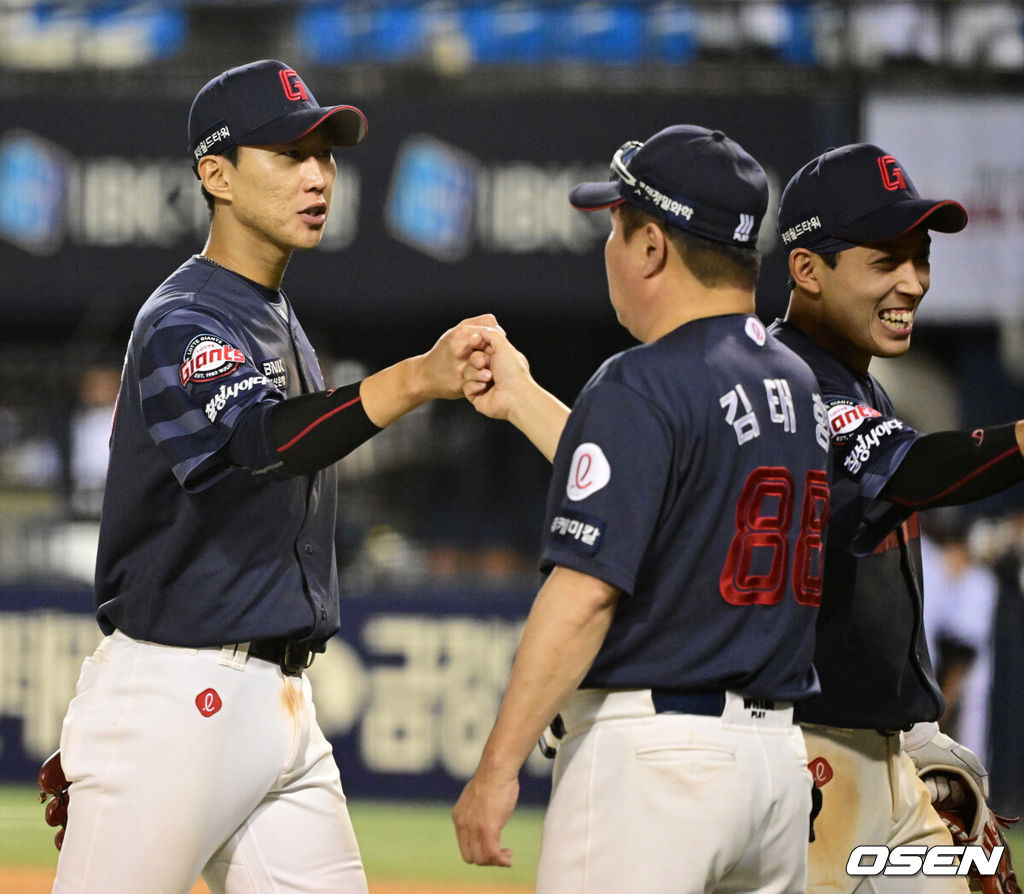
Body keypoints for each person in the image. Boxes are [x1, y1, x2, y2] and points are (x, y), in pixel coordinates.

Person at [47, 59, 500, 894]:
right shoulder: (185, 317)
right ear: (215, 174)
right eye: (290, 153)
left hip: (278, 706)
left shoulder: (271, 315)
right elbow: (263, 441)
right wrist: (416, 379)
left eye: (325, 154)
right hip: (179, 697)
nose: (319, 175)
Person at [451, 124, 833, 893]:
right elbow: (661, 492)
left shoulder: (640, 381)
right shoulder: (796, 383)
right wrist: (525, 400)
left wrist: (496, 767)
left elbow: (586, 592)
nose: (610, 251)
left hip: (657, 767)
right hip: (776, 770)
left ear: (652, 246)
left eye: (617, 229)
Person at [769, 142, 1023, 893]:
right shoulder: (786, 385)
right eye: (886, 261)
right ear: (807, 269)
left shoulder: (858, 387)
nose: (913, 281)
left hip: (875, 753)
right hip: (811, 758)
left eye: (920, 258)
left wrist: (915, 736)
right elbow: (912, 469)